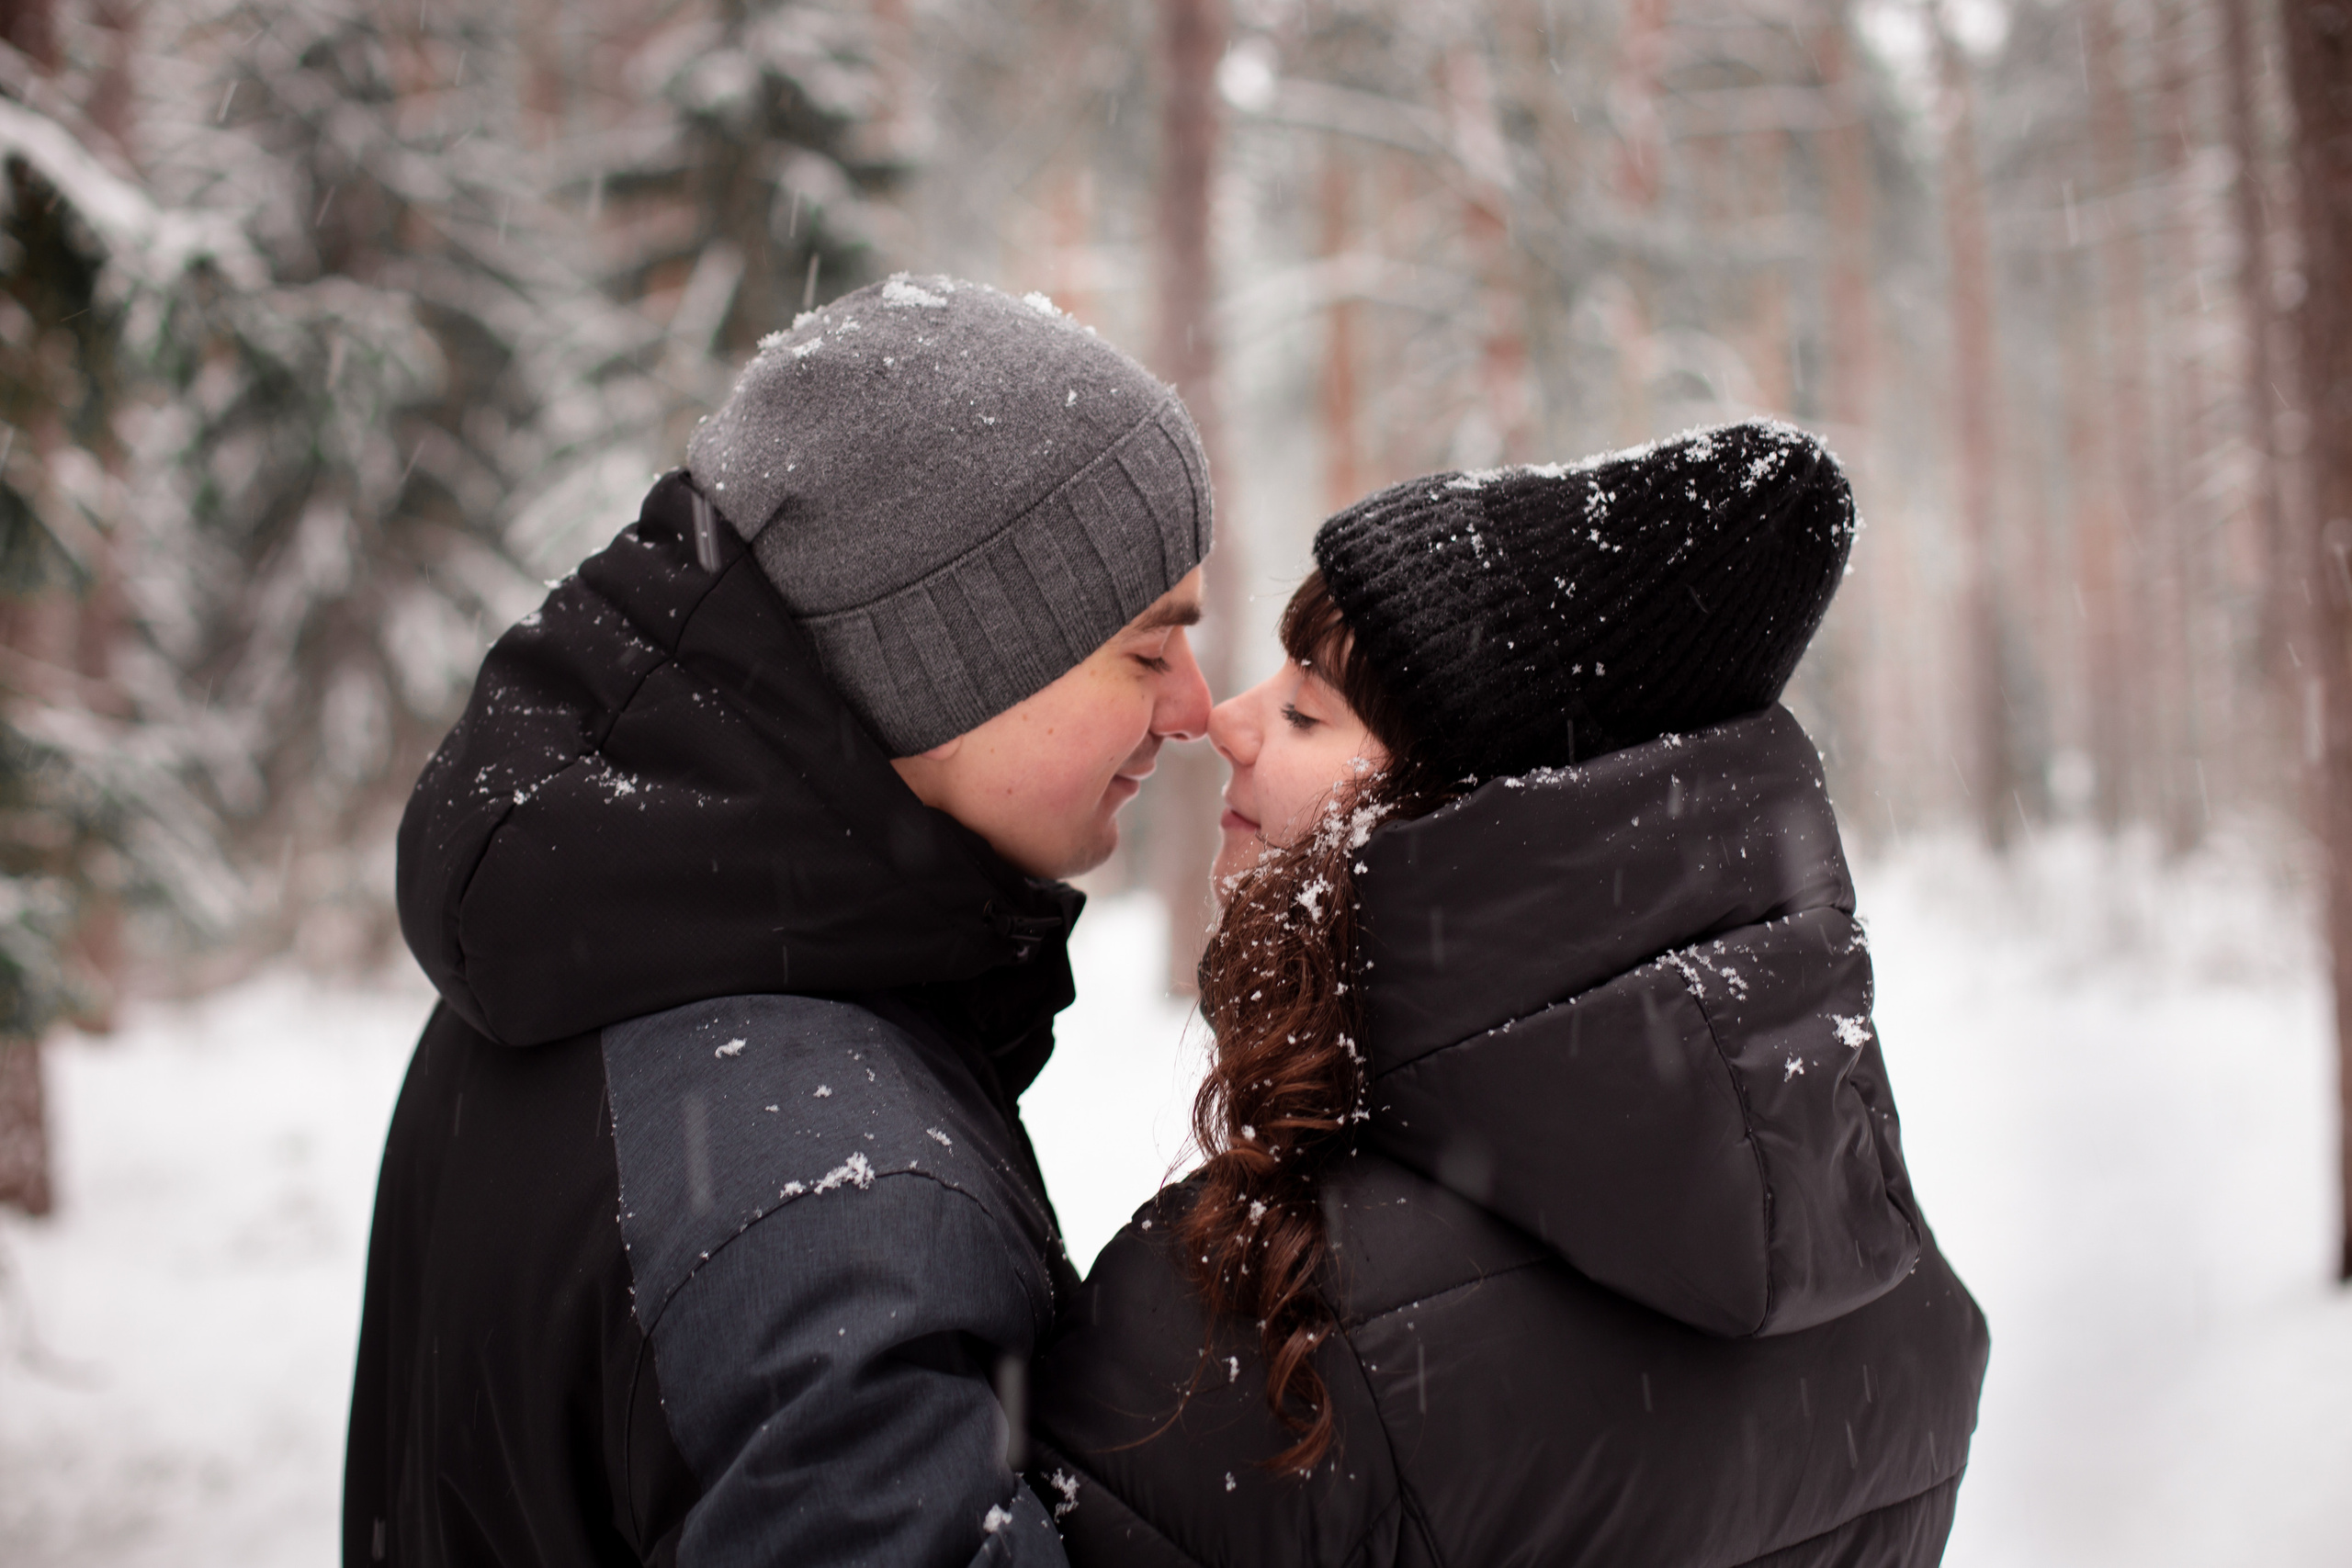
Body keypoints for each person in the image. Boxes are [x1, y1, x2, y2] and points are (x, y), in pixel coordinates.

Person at [345, 276, 1215, 1567]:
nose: (1197, 706)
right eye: (1150, 650)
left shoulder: (603, 944)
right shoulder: (816, 1192)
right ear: (949, 655)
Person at [1030, 421, 1992, 1567]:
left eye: (1305, 711)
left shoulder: (1262, 1341)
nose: (1228, 719)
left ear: (1454, 829)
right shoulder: (1899, 1295)